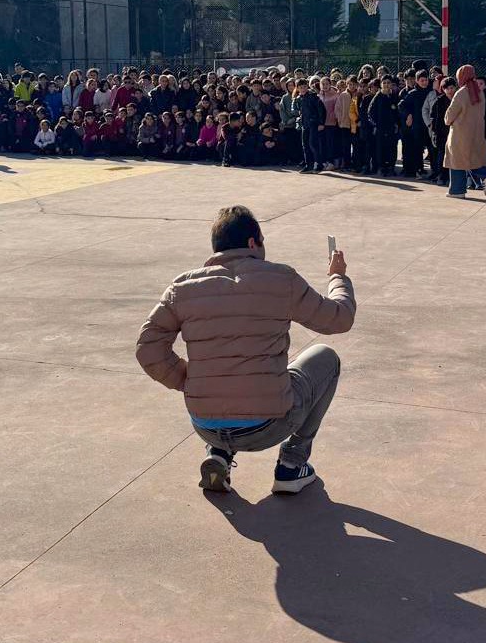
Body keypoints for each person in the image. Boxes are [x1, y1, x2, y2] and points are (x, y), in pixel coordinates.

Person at [136, 205, 356, 496]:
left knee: (223, 380)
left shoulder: (183, 287)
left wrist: (187, 379)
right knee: (325, 358)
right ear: (253, 242)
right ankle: (292, 465)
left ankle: (219, 454)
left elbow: (147, 348)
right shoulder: (280, 278)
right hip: (267, 426)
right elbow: (340, 318)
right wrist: (337, 277)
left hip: (205, 422)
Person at [443, 65, 486, 197]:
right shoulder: (479, 92)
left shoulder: (461, 93)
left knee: (457, 161)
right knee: (474, 158)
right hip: (477, 132)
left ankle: (457, 190)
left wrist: (447, 119)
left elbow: (449, 116)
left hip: (460, 134)